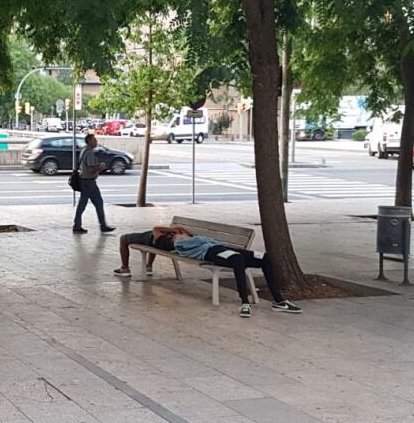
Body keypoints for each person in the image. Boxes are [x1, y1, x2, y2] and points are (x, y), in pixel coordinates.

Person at [116, 224, 302, 318]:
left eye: (182, 231)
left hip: (221, 247)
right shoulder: (178, 242)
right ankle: (244, 302)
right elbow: (158, 231)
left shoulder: (187, 237)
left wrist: (186, 232)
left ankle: (279, 300)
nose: (181, 232)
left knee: (264, 258)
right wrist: (177, 232)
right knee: (237, 259)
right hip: (210, 252)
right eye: (178, 233)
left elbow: (202, 239)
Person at [73, 133, 115, 234]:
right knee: (98, 203)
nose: (96, 142)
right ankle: (102, 225)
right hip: (89, 182)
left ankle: (77, 225)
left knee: (82, 204)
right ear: (90, 141)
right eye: (94, 140)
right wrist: (101, 167)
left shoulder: (84, 150)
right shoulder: (90, 153)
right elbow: (91, 169)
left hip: (84, 181)